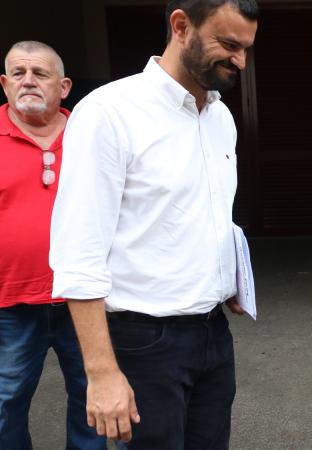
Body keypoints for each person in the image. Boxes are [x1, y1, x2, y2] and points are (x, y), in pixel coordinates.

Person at [48, 1, 258, 448]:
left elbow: (202, 211)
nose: (240, 61)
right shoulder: (109, 112)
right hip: (144, 342)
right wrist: (101, 373)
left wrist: (226, 274)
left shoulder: (219, 116)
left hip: (213, 334)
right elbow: (78, 252)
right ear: (181, 26)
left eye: (245, 48)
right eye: (228, 44)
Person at [0, 40, 106, 450]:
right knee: (6, 401)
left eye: (40, 74)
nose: (28, 81)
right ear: (5, 84)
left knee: (92, 397)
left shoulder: (92, 135)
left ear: (64, 87)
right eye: (18, 73)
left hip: (86, 297)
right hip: (8, 302)